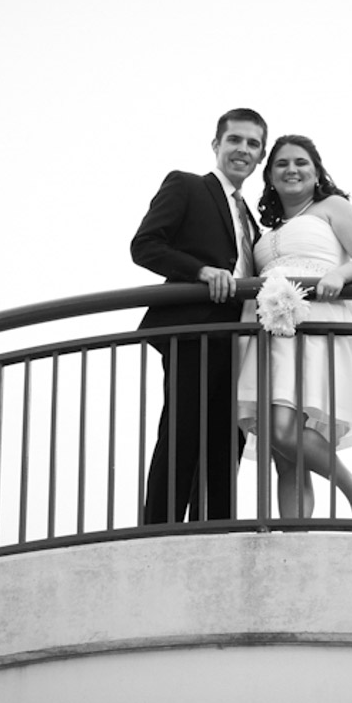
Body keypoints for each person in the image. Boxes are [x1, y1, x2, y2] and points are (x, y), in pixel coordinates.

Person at [131, 108, 267, 523]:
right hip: (194, 329)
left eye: (252, 144)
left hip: (239, 340)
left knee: (229, 440)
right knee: (183, 430)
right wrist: (200, 270)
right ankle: (158, 531)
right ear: (216, 145)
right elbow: (145, 245)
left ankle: (216, 530)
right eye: (235, 140)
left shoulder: (253, 222)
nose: (242, 149)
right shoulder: (187, 186)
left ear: (260, 156)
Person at [236, 135, 352, 519]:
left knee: (284, 429)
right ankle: (293, 537)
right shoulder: (264, 233)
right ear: (269, 175)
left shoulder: (332, 207)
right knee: (283, 453)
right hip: (272, 332)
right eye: (282, 163)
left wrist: (339, 274)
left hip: (317, 326)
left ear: (316, 172)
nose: (292, 169)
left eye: (301, 162)